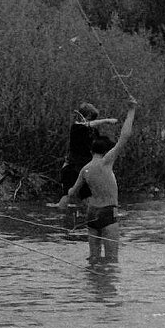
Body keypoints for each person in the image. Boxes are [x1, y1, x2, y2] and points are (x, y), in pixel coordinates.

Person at [56, 99, 138, 265]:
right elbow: (124, 136)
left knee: (93, 259)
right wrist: (131, 111)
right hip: (108, 214)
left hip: (91, 216)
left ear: (91, 149)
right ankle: (105, 287)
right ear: (107, 151)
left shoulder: (84, 170)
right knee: (112, 262)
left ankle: (92, 287)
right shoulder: (106, 163)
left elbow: (72, 192)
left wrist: (65, 199)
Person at [58, 102, 119, 205]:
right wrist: (106, 120)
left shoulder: (93, 131)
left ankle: (83, 216)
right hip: (72, 168)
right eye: (92, 118)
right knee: (67, 195)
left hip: (86, 168)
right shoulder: (76, 128)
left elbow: (102, 144)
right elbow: (86, 125)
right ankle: (63, 215)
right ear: (88, 116)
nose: (93, 121)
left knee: (86, 197)